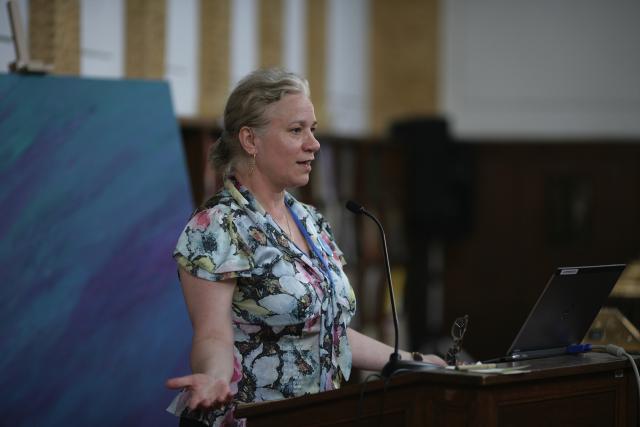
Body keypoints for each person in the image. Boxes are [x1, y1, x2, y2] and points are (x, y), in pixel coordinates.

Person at [165, 68, 446, 427]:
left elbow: (332, 331)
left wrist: (412, 360)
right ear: (250, 140)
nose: (313, 143)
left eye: (312, 129)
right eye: (296, 130)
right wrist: (215, 378)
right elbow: (213, 334)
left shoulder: (311, 221)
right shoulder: (218, 225)